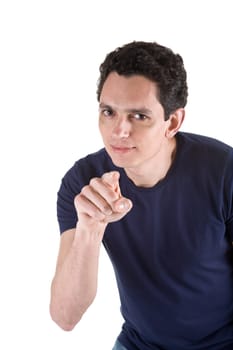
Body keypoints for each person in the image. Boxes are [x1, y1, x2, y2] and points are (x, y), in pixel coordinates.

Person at [49, 41, 233, 350]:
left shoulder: (223, 171)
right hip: (140, 343)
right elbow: (65, 316)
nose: (119, 130)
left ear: (172, 122)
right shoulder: (82, 183)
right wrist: (90, 230)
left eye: (139, 116)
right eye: (108, 112)